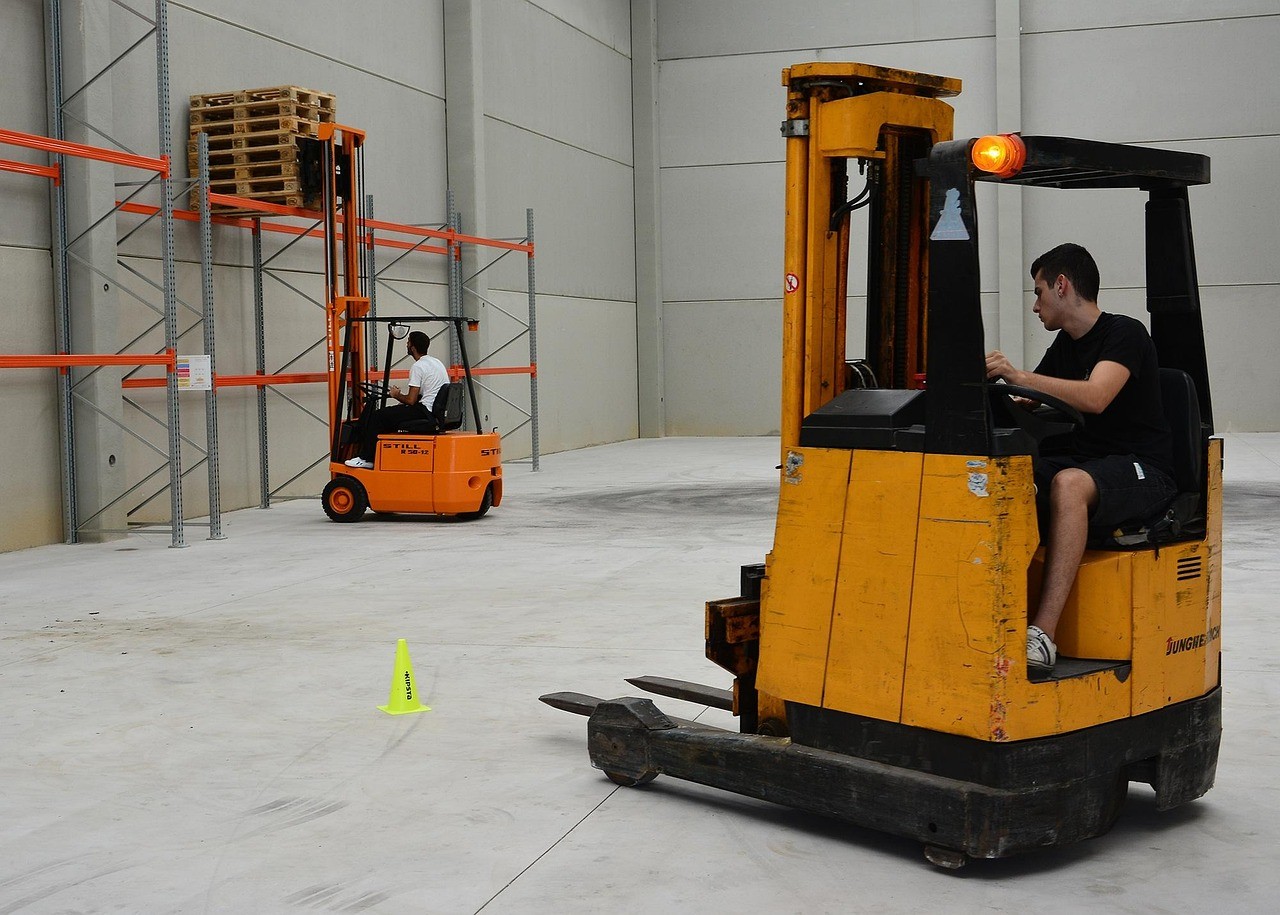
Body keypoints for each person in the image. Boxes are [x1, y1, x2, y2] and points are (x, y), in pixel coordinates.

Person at [985, 243, 1176, 672]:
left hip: (1145, 469)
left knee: (1068, 483)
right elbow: (1037, 395)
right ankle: (995, 611)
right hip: (1093, 461)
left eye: (1038, 292)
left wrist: (1021, 375)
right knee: (1008, 473)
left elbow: (1095, 396)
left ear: (1062, 285)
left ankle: (1042, 635)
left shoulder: (1124, 334)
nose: (1035, 306)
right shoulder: (1066, 346)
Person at [344, 330, 449, 469]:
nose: (406, 344)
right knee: (393, 414)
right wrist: (401, 399)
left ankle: (367, 458)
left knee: (378, 416)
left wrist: (396, 394)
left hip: (425, 411)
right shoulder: (436, 363)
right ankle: (383, 456)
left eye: (408, 342)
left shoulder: (418, 366)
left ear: (412, 347)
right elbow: (422, 393)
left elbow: (411, 400)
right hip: (432, 410)